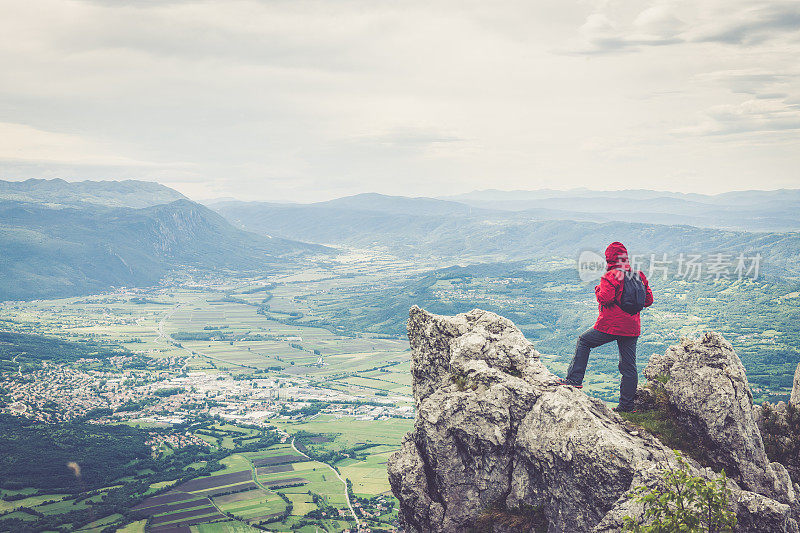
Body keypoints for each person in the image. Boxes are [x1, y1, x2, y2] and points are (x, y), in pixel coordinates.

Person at [558, 241, 653, 412]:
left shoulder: (611, 276)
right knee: (629, 366)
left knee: (584, 341)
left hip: (610, 326)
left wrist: (597, 289)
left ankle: (574, 380)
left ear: (609, 258)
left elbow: (605, 298)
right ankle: (626, 406)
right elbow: (648, 301)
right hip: (632, 328)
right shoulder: (639, 275)